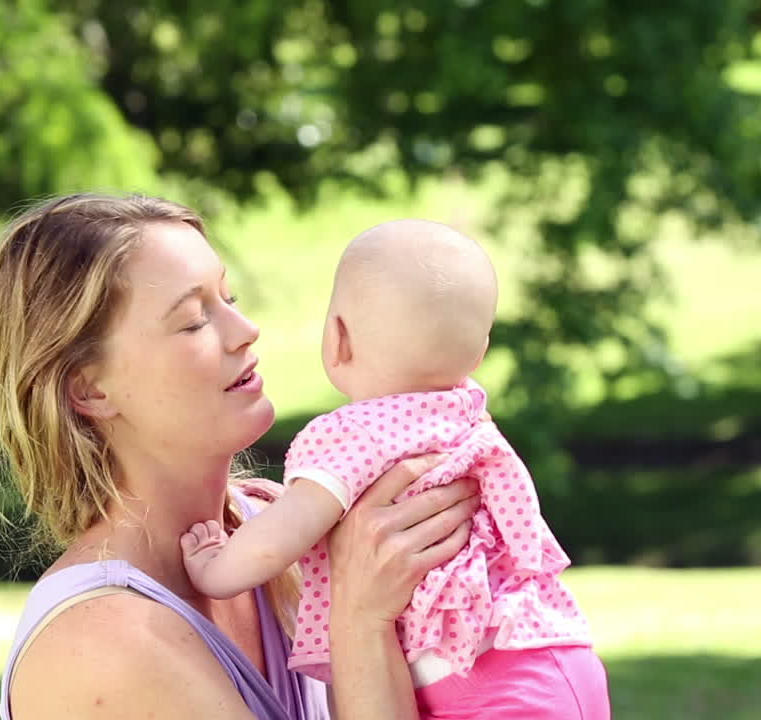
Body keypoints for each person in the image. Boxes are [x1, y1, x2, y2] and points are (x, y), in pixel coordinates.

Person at [0, 194, 482, 719]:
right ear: (90, 389)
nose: (246, 330)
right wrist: (359, 622)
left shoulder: (287, 529)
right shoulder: (103, 643)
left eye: (229, 296)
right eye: (194, 320)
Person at [180, 219, 611, 719]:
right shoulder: (466, 412)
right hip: (554, 650)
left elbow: (283, 534)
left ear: (338, 339)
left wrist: (215, 569)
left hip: (468, 678)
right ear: (480, 350)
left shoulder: (357, 434)